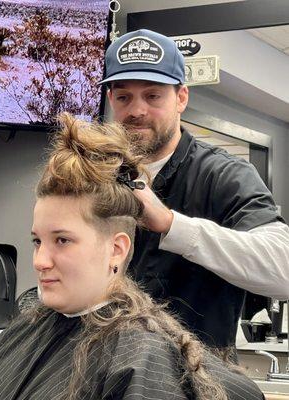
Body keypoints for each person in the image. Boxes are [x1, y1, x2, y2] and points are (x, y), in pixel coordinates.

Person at [0, 114, 264, 400]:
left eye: (62, 240)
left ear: (116, 249)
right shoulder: (22, 331)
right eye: (37, 241)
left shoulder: (138, 358)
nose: (40, 261)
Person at [100, 29, 289, 350]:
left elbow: (284, 270)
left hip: (197, 380)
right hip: (107, 371)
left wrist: (172, 225)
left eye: (153, 95)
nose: (136, 110)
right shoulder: (98, 173)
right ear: (111, 100)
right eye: (124, 97)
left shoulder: (224, 174)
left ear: (182, 98)